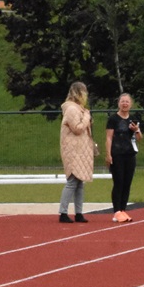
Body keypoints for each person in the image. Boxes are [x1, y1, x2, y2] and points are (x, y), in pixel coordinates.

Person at [105, 93, 143, 223]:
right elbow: (109, 138)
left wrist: (137, 130)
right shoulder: (113, 119)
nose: (125, 104)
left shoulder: (133, 119)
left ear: (131, 104)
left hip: (130, 155)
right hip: (117, 154)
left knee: (127, 183)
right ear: (118, 103)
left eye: (127, 101)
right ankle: (116, 211)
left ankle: (123, 209)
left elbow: (139, 138)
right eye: (122, 101)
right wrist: (108, 154)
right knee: (118, 182)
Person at [58, 81, 93, 224]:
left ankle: (79, 212)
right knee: (72, 182)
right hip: (73, 150)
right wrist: (87, 117)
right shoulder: (72, 109)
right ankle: (63, 212)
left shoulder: (80, 109)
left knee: (80, 182)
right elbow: (77, 128)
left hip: (80, 149)